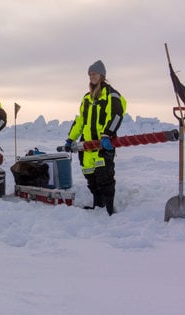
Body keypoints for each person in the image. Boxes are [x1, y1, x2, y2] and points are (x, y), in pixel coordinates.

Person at [63, 60, 126, 216]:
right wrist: (71, 139)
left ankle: (110, 208)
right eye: (90, 74)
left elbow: (117, 115)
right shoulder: (87, 98)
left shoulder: (111, 95)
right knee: (91, 177)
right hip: (87, 146)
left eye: (94, 74)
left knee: (105, 177)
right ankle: (98, 204)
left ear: (102, 76)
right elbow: (80, 121)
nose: (91, 77)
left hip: (103, 145)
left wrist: (107, 135)